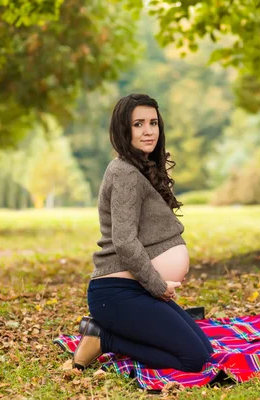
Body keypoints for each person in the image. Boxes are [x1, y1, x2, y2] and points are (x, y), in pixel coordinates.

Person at [72, 93, 214, 372]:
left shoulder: (139, 168)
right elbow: (124, 242)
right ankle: (104, 339)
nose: (148, 131)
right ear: (123, 129)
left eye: (153, 123)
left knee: (205, 348)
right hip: (117, 294)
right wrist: (158, 286)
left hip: (135, 290)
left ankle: (106, 331)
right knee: (194, 358)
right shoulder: (124, 173)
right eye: (138, 124)